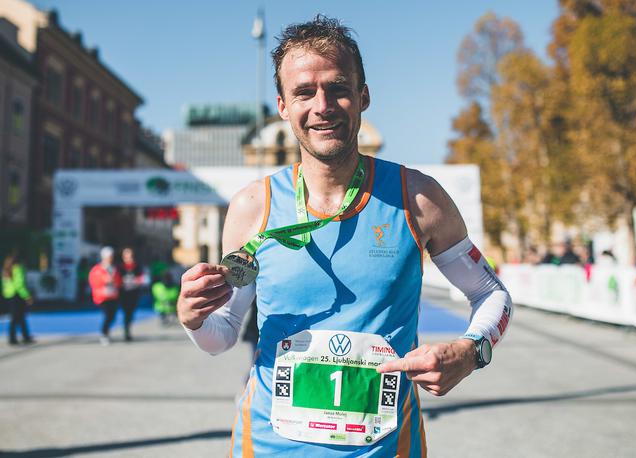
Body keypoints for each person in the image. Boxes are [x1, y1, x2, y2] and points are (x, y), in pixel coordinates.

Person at [177, 16, 512, 456]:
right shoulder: (251, 207)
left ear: (363, 96)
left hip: (386, 448)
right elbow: (223, 335)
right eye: (304, 92)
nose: (323, 105)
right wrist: (194, 319)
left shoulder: (419, 199)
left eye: (337, 88)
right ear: (282, 106)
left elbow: (492, 294)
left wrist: (472, 352)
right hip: (269, 447)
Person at [88, 246, 122, 345]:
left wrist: (115, 281)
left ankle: (106, 332)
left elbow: (119, 281)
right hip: (102, 297)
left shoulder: (114, 269)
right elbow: (93, 282)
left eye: (111, 256)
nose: (110, 258)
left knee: (112, 317)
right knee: (107, 315)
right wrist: (104, 281)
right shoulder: (97, 269)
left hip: (113, 296)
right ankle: (104, 334)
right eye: (108, 256)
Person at [1, 250, 35, 345]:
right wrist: (27, 296)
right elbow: (20, 285)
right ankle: (14, 338)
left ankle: (24, 336)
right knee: (18, 317)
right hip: (17, 296)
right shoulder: (18, 269)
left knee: (18, 317)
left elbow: (4, 285)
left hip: (9, 296)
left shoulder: (6, 269)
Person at [117, 247, 147, 341]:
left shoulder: (137, 266)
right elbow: (117, 279)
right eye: (126, 254)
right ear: (123, 256)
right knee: (126, 312)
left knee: (131, 312)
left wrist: (136, 281)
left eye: (130, 254)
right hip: (123, 293)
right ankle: (126, 332)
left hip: (134, 293)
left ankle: (128, 329)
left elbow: (142, 278)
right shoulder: (120, 267)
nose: (129, 256)